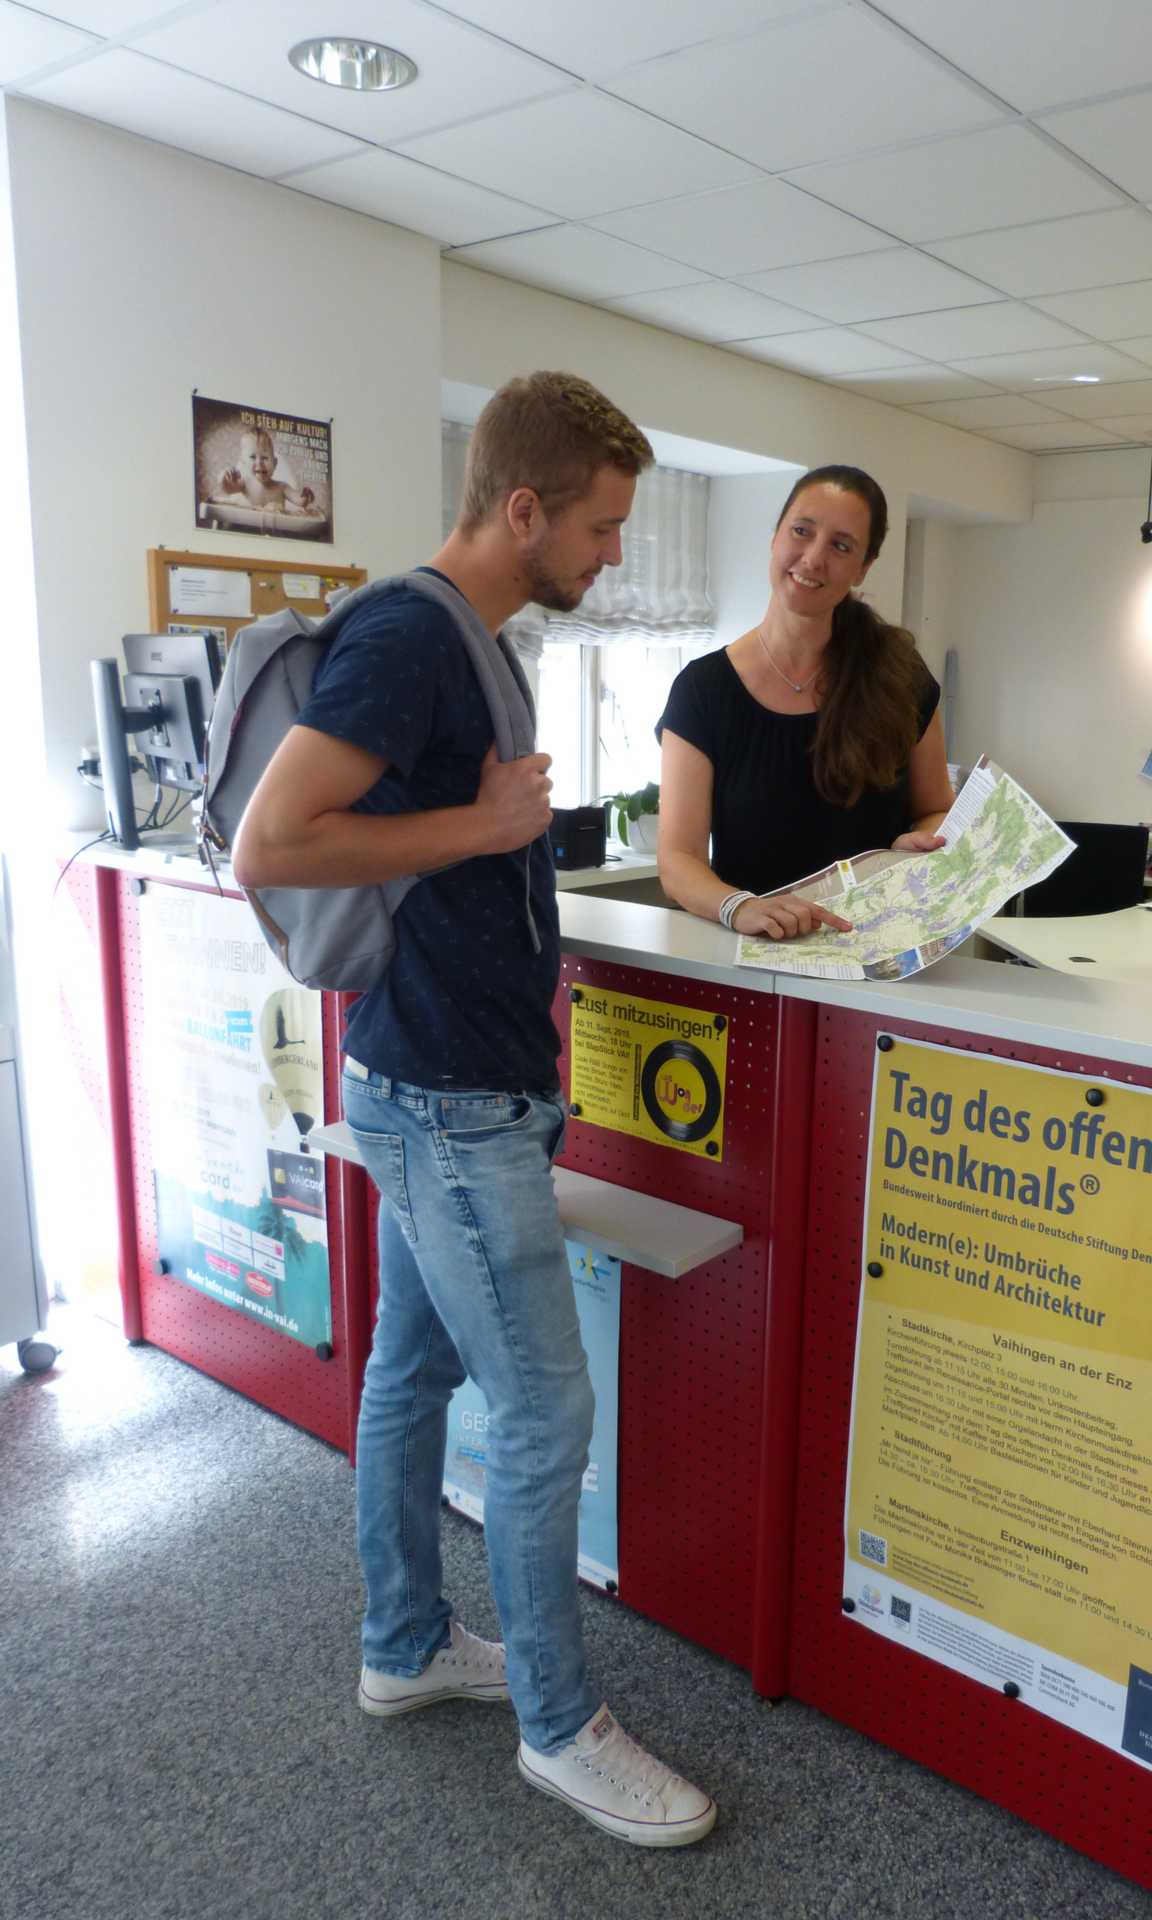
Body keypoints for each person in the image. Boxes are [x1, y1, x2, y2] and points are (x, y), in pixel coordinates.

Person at [232, 371, 716, 1848]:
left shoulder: (477, 642)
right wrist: (487, 825)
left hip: (454, 1085)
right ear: (524, 510)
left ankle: (403, 1645)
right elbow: (272, 843)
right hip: (446, 1101)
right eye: (603, 527)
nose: (615, 556)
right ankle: (561, 1732)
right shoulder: (410, 635)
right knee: (545, 1412)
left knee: (410, 1374)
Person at [656, 465, 953, 940]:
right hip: (752, 957)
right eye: (801, 531)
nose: (813, 558)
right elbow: (678, 859)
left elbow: (936, 809)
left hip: (876, 951)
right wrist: (741, 907)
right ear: (775, 537)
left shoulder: (900, 675)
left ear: (862, 568)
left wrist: (920, 841)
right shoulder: (702, 690)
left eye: (841, 546)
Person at [218, 425, 321, 516]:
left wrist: (306, 497)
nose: (259, 463)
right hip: (249, 527)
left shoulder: (282, 487)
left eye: (265, 458)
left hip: (276, 529)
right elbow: (226, 488)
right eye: (252, 457)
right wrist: (225, 475)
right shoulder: (245, 484)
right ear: (244, 463)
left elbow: (299, 500)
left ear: (275, 464)